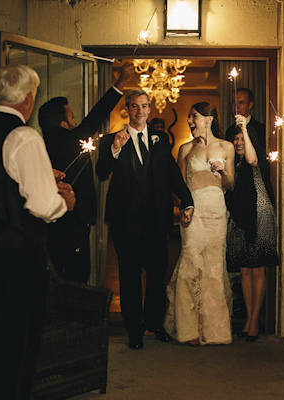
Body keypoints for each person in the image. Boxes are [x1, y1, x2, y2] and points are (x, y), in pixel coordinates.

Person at [0, 64, 76, 400]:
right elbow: (43, 206)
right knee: (15, 345)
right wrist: (66, 201)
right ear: (29, 98)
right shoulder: (24, 136)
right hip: (14, 258)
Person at [95, 88, 194, 350]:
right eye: (135, 106)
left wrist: (188, 200)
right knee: (129, 277)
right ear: (128, 109)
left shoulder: (161, 140)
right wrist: (115, 150)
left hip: (156, 222)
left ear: (150, 109)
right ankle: (134, 330)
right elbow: (101, 172)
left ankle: (154, 323)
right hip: (125, 223)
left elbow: (173, 173)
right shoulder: (112, 139)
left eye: (144, 106)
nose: (140, 111)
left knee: (157, 274)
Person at [39, 62, 134, 283]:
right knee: (75, 274)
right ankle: (75, 315)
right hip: (69, 219)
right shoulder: (64, 139)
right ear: (63, 124)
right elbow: (95, 118)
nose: (75, 120)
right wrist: (119, 85)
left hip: (56, 219)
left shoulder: (45, 141)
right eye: (71, 116)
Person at [164, 102, 235, 346]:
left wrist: (223, 172)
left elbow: (231, 184)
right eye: (189, 116)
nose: (190, 121)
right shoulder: (184, 149)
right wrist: (183, 207)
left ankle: (215, 330)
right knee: (191, 263)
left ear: (209, 119)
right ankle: (189, 330)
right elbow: (179, 187)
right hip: (193, 212)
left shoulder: (226, 147)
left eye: (194, 116)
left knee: (214, 267)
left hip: (216, 211)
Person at [226, 117, 278, 342]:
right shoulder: (233, 163)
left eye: (241, 138)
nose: (238, 142)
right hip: (239, 219)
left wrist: (244, 128)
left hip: (259, 218)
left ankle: (255, 319)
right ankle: (248, 318)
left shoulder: (258, 159)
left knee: (257, 270)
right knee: (245, 270)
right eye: (235, 138)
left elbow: (251, 158)